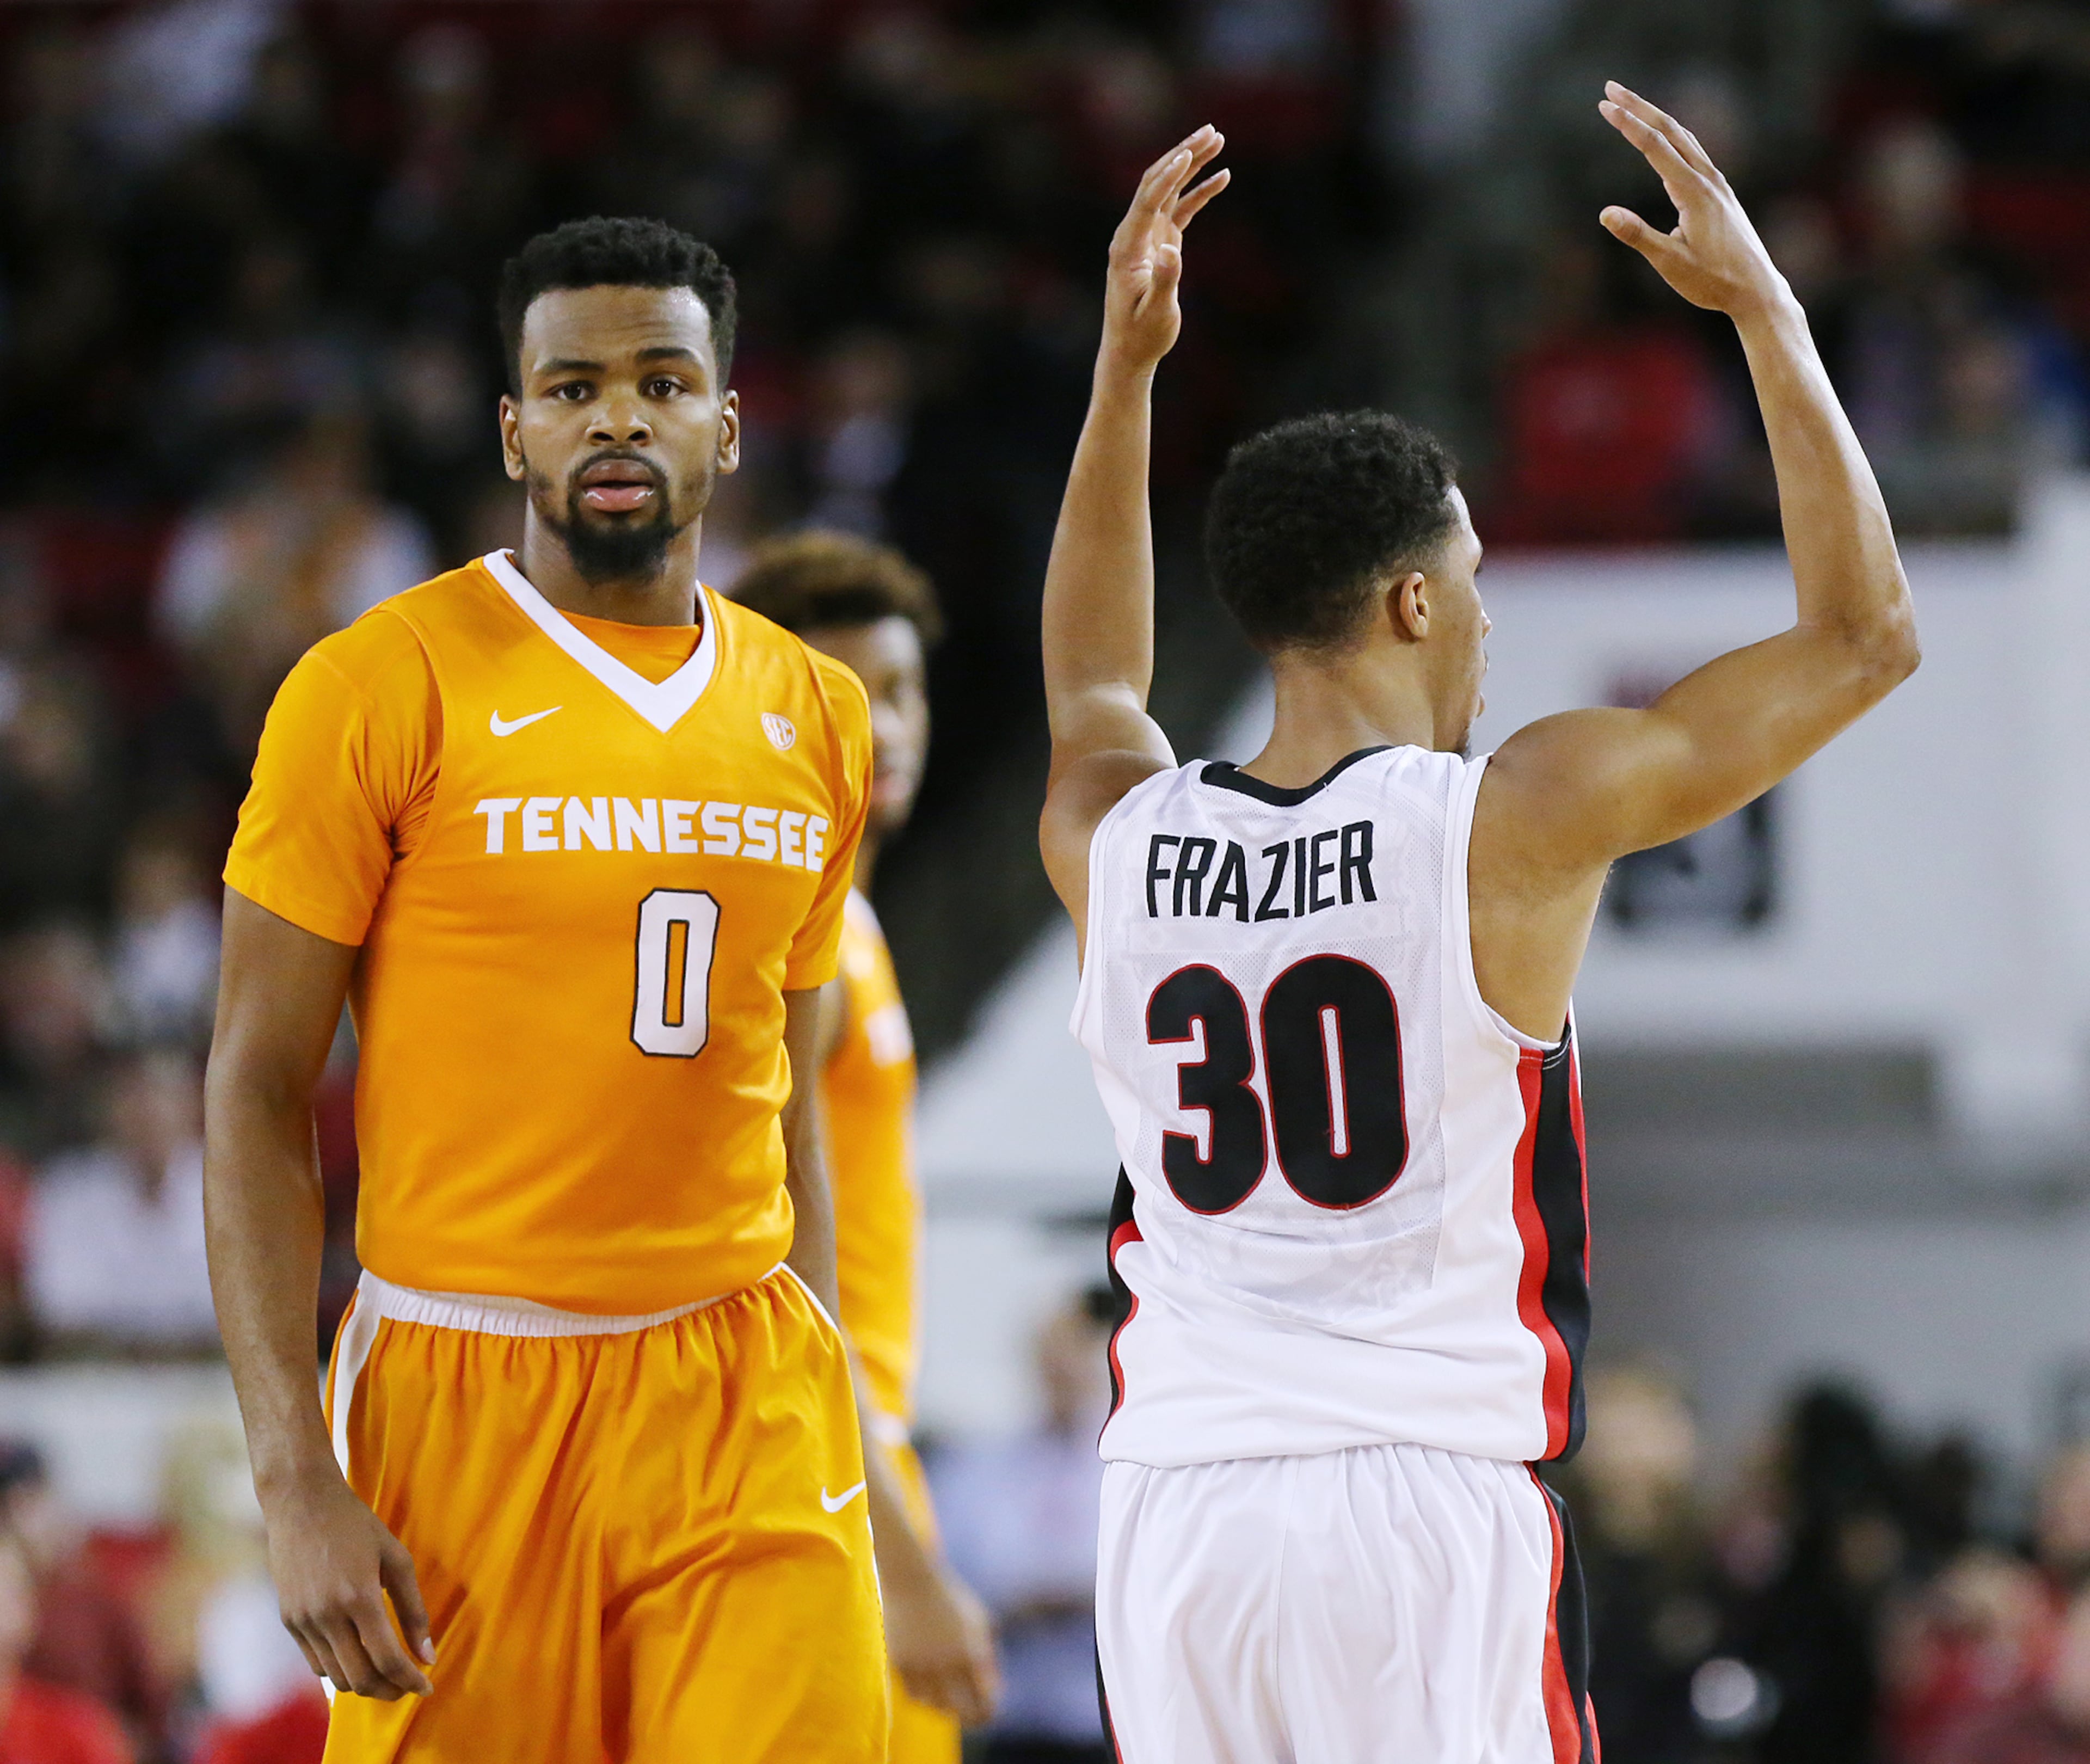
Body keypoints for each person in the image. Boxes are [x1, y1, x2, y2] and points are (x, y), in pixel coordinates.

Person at [1038, 96, 1919, 1763]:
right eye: (1478, 579)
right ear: (1413, 602)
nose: (1493, 621)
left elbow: (1091, 683)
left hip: (1174, 1516)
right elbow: (1862, 637)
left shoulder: (1119, 835)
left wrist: (1123, 371)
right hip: (1419, 1514)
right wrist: (1766, 311)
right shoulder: (1503, 820)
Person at [204, 216, 894, 1761]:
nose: (619, 419)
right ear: (515, 428)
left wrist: (828, 1366)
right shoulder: (374, 683)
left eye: (662, 381)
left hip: (742, 1386)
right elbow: (253, 1087)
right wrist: (295, 1478)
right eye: (573, 387)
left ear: (726, 421)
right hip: (462, 1389)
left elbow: (780, 1070)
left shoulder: (818, 713)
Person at [732, 529, 1000, 1755]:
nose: (881, 728)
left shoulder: (852, 920)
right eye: (839, 695)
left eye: (898, 692)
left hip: (854, 1463)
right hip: (814, 1485)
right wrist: (902, 1558)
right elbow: (778, 1278)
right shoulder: (803, 941)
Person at [933, 1292, 1115, 1764]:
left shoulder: (1133, 1469)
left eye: (1074, 1353)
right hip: (1016, 1729)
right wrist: (1015, 1607)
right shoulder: (978, 1470)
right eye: (1050, 1355)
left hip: (1108, 1728)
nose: (1062, 1370)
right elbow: (948, 1580)